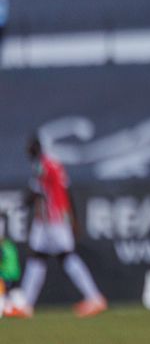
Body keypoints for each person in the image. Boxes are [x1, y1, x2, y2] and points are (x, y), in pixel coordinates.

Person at [6, 135, 107, 318]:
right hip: (52, 219)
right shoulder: (54, 163)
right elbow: (67, 191)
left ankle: (94, 297)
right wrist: (74, 218)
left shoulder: (42, 165)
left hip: (53, 220)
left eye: (30, 148)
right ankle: (27, 304)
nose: (28, 152)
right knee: (39, 257)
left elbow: (34, 193)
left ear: (36, 148)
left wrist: (13, 206)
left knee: (64, 256)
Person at [0, 215, 22, 316]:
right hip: (13, 278)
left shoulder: (3, 247)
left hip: (5, 278)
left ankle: (8, 308)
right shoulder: (10, 245)